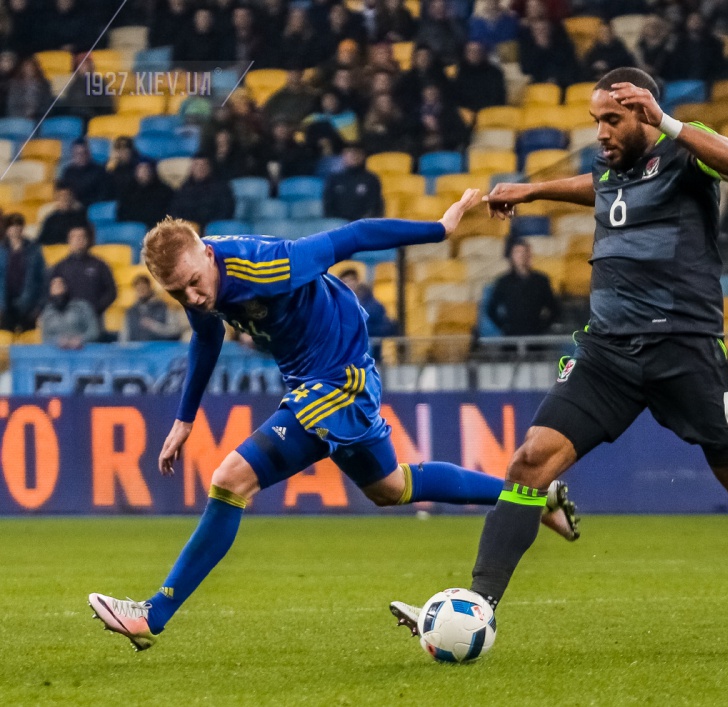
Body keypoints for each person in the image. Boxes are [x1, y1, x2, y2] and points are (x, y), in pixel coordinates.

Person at [388, 68, 728, 639]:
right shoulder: (611, 170)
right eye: (596, 120)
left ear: (644, 115)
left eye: (612, 119)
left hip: (685, 351)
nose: (600, 132)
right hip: (608, 354)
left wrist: (669, 121)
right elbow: (598, 186)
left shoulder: (684, 152)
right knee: (530, 461)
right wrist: (532, 190)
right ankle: (480, 604)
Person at [87, 190, 580, 651]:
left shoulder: (269, 264)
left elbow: (355, 235)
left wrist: (440, 229)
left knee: (230, 479)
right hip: (313, 379)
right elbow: (206, 336)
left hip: (338, 379)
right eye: (178, 292)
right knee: (390, 487)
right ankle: (533, 497)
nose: (193, 297)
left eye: (195, 283)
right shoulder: (199, 280)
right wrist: (184, 418)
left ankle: (153, 614)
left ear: (208, 255)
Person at [50, 225, 117, 330]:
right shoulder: (60, 267)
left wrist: (95, 309)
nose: (79, 240)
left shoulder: (99, 265)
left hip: (94, 319)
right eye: (75, 237)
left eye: (82, 237)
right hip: (68, 321)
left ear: (87, 240)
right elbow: (51, 293)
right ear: (69, 240)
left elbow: (111, 292)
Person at [486, 238, 558, 336]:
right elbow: (491, 310)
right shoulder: (503, 282)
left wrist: (542, 327)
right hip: (512, 337)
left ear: (529, 255)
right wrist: (504, 327)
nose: (521, 256)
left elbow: (554, 308)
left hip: (535, 336)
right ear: (512, 256)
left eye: (524, 252)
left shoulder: (541, 281)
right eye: (517, 252)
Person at [0, 214, 45, 333]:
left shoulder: (34, 250)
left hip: (28, 304)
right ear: (7, 229)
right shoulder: (1, 251)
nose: (15, 229)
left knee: (27, 337)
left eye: (18, 225)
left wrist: (39, 306)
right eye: (12, 226)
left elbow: (42, 279)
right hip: (5, 305)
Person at [169, 155, 236, 228]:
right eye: (196, 165)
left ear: (210, 167)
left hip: (212, 227)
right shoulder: (184, 188)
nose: (200, 168)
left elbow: (225, 210)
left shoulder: (221, 187)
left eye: (203, 165)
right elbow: (175, 210)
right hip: (188, 227)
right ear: (191, 168)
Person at [323, 144, 385, 221]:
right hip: (337, 224)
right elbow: (328, 206)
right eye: (349, 153)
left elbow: (375, 206)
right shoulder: (334, 179)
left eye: (357, 153)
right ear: (343, 155)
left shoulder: (371, 179)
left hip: (362, 223)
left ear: (363, 155)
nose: (353, 156)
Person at [39, 275, 100, 349]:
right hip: (57, 353)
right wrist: (58, 341)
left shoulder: (82, 307)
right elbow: (45, 337)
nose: (57, 288)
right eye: (54, 285)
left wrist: (81, 339)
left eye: (60, 284)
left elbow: (94, 331)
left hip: (84, 351)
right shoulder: (47, 312)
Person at [338, 267, 396, 338]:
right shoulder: (337, 304)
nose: (348, 284)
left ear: (357, 281)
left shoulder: (373, 305)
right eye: (344, 282)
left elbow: (384, 328)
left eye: (350, 280)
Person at [122, 274, 183, 342]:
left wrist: (154, 326)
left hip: (160, 347)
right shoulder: (131, 311)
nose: (141, 291)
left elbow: (175, 331)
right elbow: (124, 336)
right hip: (137, 348)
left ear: (149, 288)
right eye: (138, 289)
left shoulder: (165, 307)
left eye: (143, 288)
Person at [117, 160, 175, 231]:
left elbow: (168, 215)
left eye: (146, 170)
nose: (143, 173)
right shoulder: (128, 191)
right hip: (132, 230)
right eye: (140, 170)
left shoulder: (165, 191)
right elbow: (122, 214)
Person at [452, 41, 507, 112]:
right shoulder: (460, 72)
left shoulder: (495, 72)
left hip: (491, 110)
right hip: (467, 112)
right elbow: (457, 97)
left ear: (483, 53)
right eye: (470, 51)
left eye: (477, 51)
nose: (474, 54)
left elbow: (499, 97)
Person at [60, 139, 114, 207]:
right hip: (69, 206)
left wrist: (82, 204)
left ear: (89, 153)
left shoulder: (99, 171)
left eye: (84, 153)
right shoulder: (68, 172)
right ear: (73, 155)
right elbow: (63, 192)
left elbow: (103, 196)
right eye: (78, 154)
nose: (81, 156)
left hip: (90, 207)